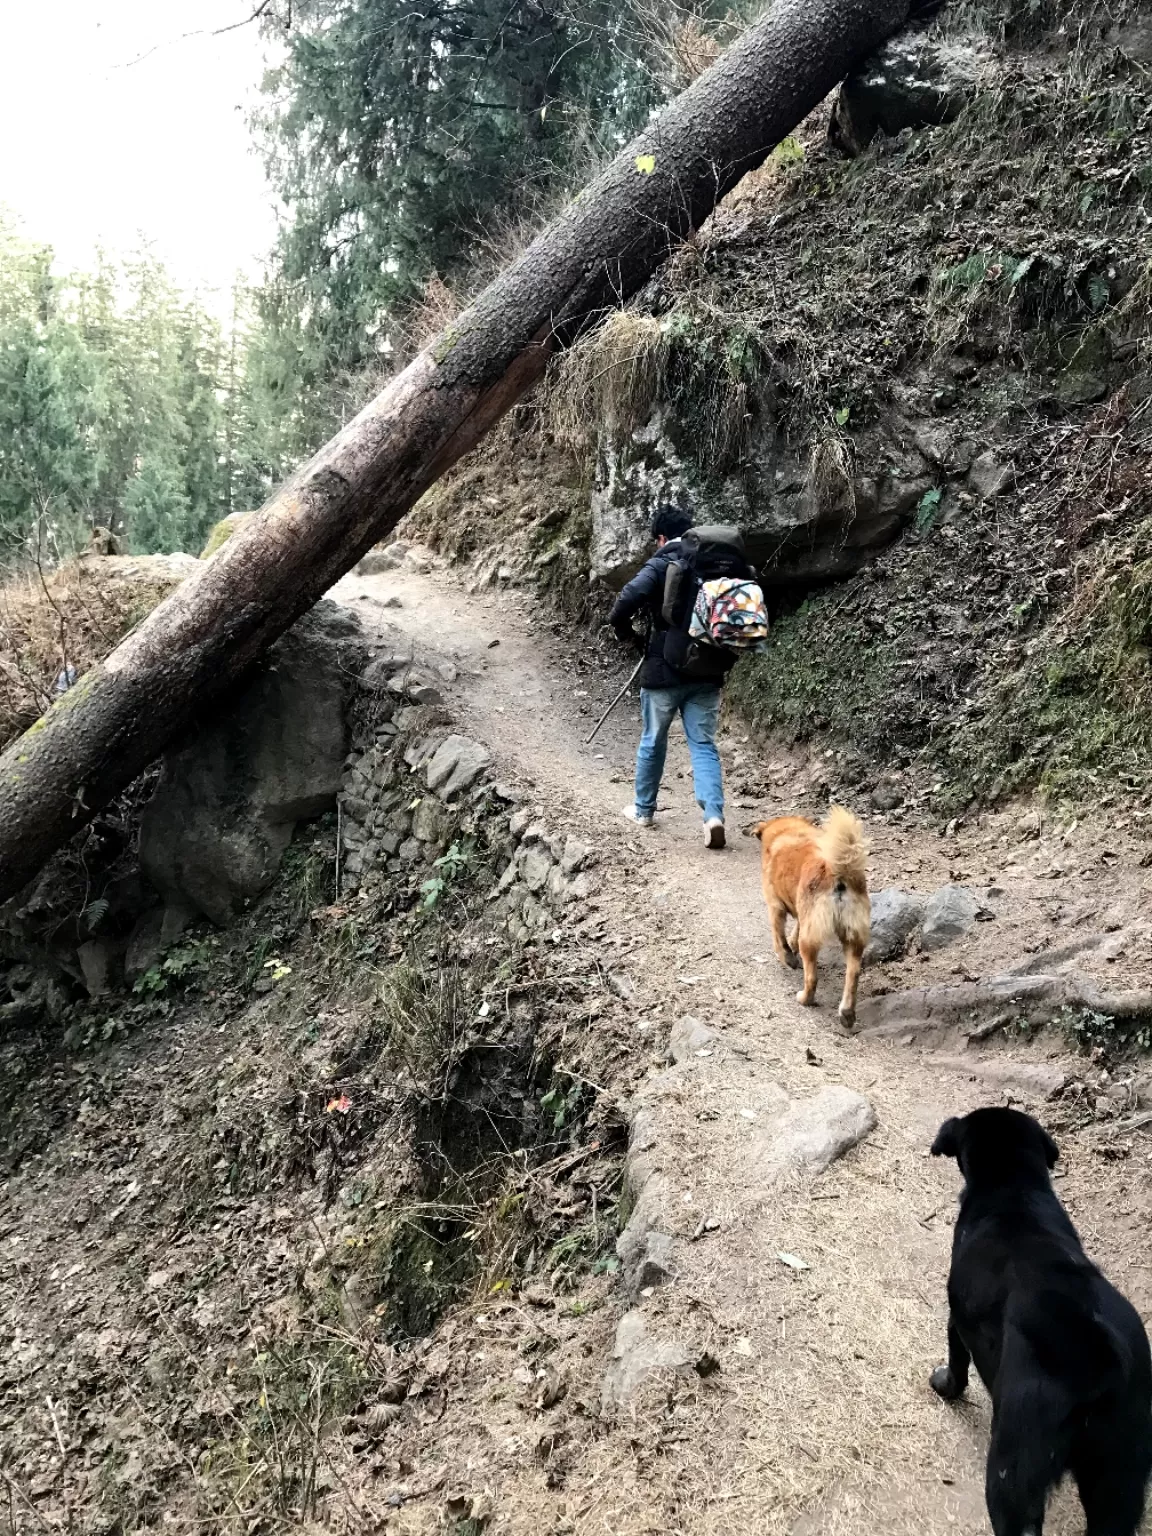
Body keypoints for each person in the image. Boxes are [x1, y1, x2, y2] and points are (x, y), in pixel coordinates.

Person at [608, 503, 747, 850]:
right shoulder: (710, 563)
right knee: (703, 744)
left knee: (654, 738)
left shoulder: (662, 562)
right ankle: (713, 816)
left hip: (664, 668)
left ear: (659, 538)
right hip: (709, 667)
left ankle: (643, 811)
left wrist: (626, 634)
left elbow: (627, 598)